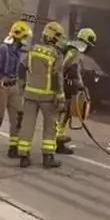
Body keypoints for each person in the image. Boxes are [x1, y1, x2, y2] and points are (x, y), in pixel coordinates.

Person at [16, 21, 66, 168]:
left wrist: (22, 85)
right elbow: (57, 76)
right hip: (48, 97)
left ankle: (23, 156)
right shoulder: (56, 54)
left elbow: (22, 67)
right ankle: (48, 157)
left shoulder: (32, 50)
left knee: (27, 125)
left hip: (30, 95)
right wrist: (60, 96)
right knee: (50, 126)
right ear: (54, 37)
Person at [0, 21, 32, 158]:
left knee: (18, 118)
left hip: (14, 87)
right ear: (18, 36)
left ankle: (13, 147)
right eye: (25, 37)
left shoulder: (18, 52)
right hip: (2, 87)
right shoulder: (3, 49)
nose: (26, 40)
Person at [55, 27, 97, 155]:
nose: (90, 49)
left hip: (66, 86)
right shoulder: (74, 51)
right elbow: (65, 68)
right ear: (85, 42)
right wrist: (78, 84)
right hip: (64, 86)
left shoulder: (73, 48)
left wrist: (80, 85)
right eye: (89, 45)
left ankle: (59, 140)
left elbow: (76, 70)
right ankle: (56, 142)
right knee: (62, 114)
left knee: (66, 114)